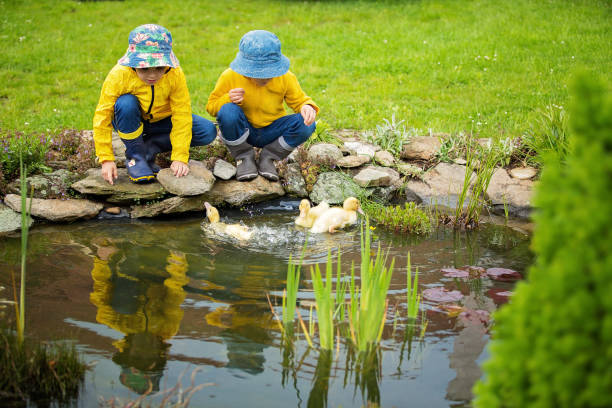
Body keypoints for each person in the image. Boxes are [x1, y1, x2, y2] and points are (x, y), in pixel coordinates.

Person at [93, 24, 216, 184]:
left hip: (162, 120)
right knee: (126, 103)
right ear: (133, 63)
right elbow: (102, 115)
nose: (152, 75)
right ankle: (135, 155)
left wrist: (180, 157)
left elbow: (182, 114)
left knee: (207, 131)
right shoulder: (119, 74)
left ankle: (150, 147)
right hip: (129, 119)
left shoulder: (175, 74)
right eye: (144, 69)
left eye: (159, 68)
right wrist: (106, 159)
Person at [207, 30, 319, 182]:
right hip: (244, 129)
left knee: (307, 124)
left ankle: (270, 156)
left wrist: (306, 106)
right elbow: (212, 107)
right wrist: (228, 98)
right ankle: (244, 157)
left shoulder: (285, 77)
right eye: (261, 74)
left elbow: (299, 100)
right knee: (228, 111)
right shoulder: (230, 76)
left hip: (273, 130)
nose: (267, 77)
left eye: (271, 72)